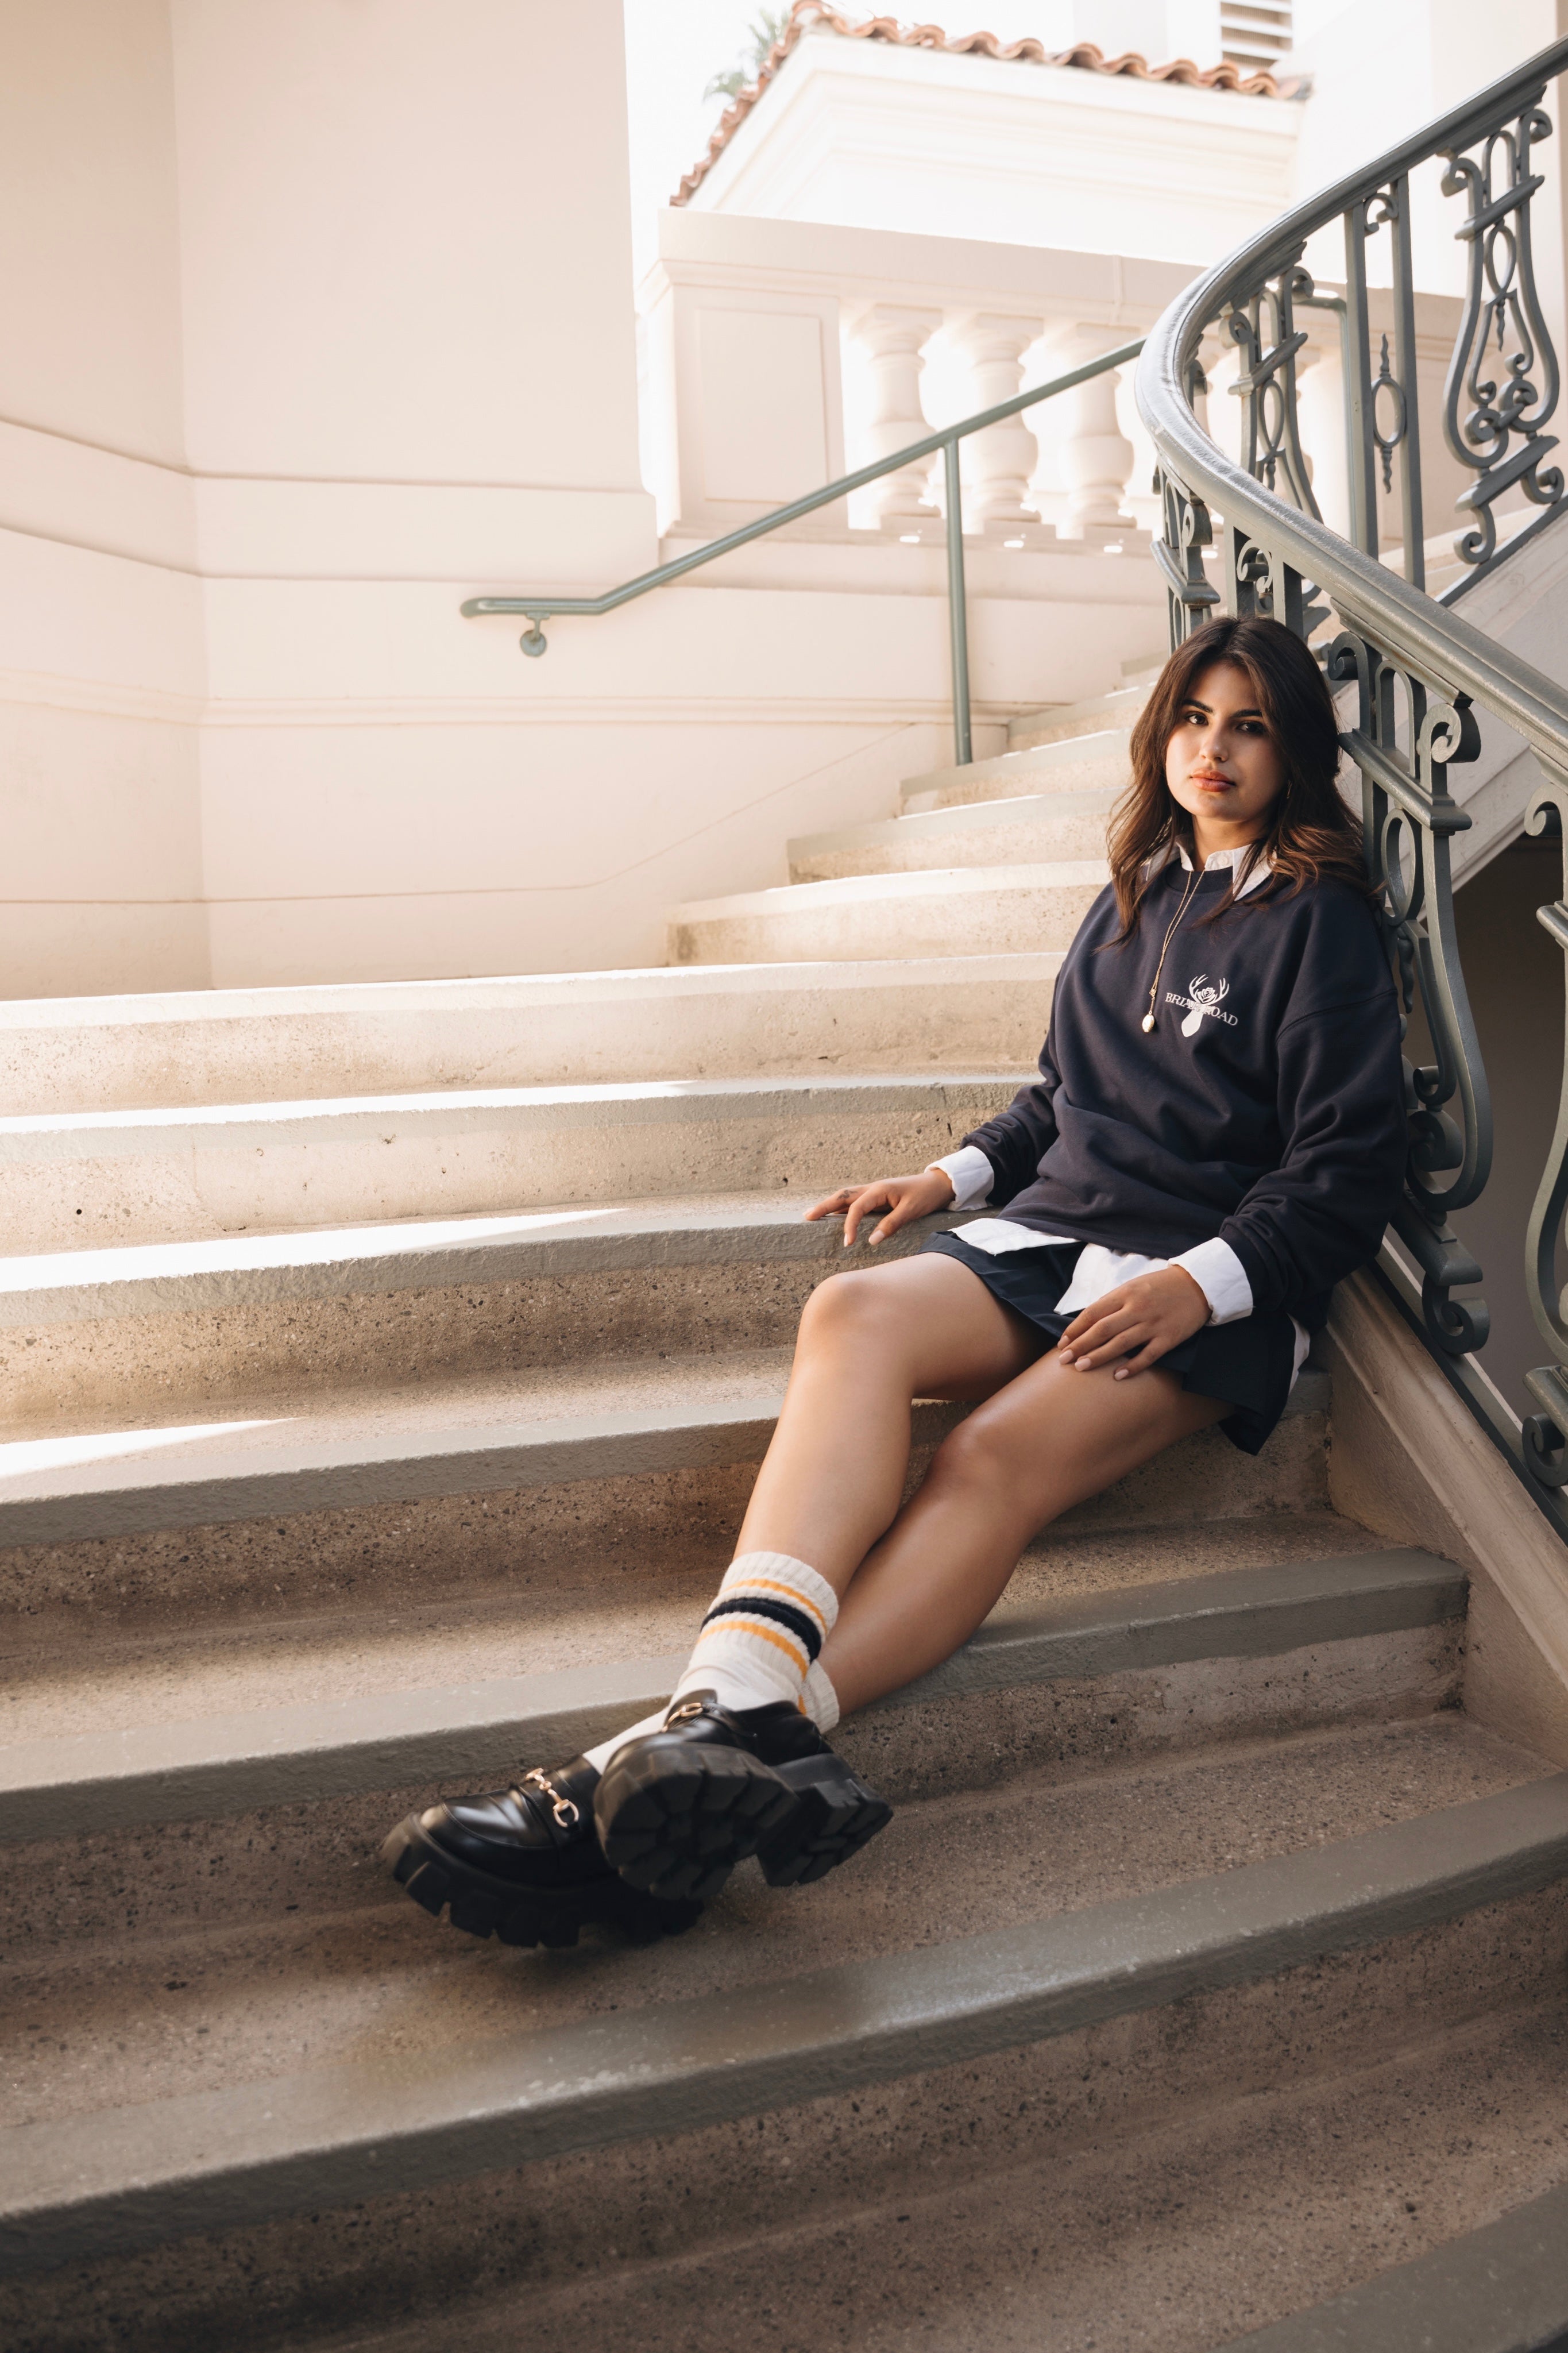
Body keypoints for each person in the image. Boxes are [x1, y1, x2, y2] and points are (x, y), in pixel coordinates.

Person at [382, 612, 1409, 1950]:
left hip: (1197, 1275)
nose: (1214, 750)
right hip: (1055, 1231)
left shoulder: (1319, 919)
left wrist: (1201, 1287)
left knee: (987, 1455)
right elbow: (1062, 1097)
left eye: (1252, 724)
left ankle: (665, 1761)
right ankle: (740, 1705)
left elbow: (1349, 1165)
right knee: (851, 1307)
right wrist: (956, 1175)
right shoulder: (1131, 900)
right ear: (1159, 733)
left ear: (1294, 749)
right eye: (1195, 719)